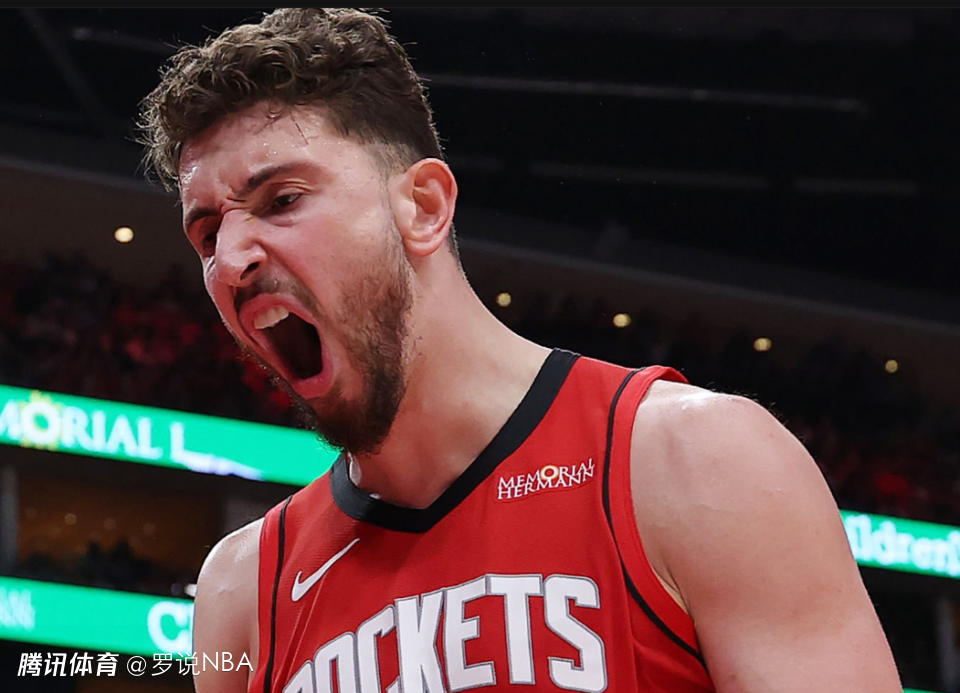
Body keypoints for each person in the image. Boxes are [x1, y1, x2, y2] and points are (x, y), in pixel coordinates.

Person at [137, 8, 902, 693]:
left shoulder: (697, 462)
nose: (230, 260)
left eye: (282, 200)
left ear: (423, 206)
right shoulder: (243, 592)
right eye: (207, 234)